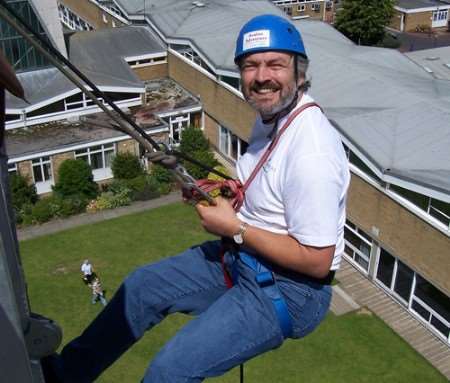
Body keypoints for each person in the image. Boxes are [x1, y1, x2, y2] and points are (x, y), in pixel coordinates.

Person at [44, 14, 350, 383]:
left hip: (291, 289)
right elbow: (266, 200)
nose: (262, 77)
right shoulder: (272, 119)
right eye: (251, 66)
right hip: (246, 259)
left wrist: (236, 229)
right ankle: (66, 375)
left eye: (276, 65)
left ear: (300, 73)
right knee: (142, 288)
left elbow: (317, 262)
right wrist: (203, 188)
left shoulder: (311, 152)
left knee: (169, 371)